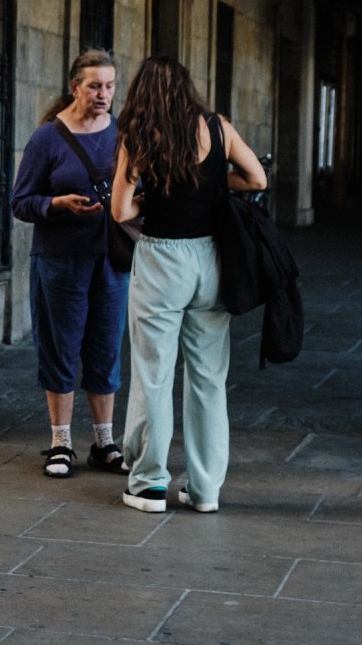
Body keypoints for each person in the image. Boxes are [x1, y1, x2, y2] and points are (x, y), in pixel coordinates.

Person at [110, 56, 266, 513]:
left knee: (153, 375)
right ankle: (205, 491)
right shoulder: (217, 128)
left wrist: (148, 194)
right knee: (208, 379)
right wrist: (217, 184)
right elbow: (257, 177)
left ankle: (149, 483)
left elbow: (120, 212)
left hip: (161, 258)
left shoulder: (138, 136)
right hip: (210, 258)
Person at [10, 49, 129, 479]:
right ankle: (61, 443)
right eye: (95, 85)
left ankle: (104, 442)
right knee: (60, 347)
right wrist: (56, 204)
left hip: (111, 260)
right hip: (60, 261)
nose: (104, 94)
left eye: (110, 86)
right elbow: (20, 203)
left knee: (105, 347)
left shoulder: (122, 134)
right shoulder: (48, 138)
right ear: (74, 86)